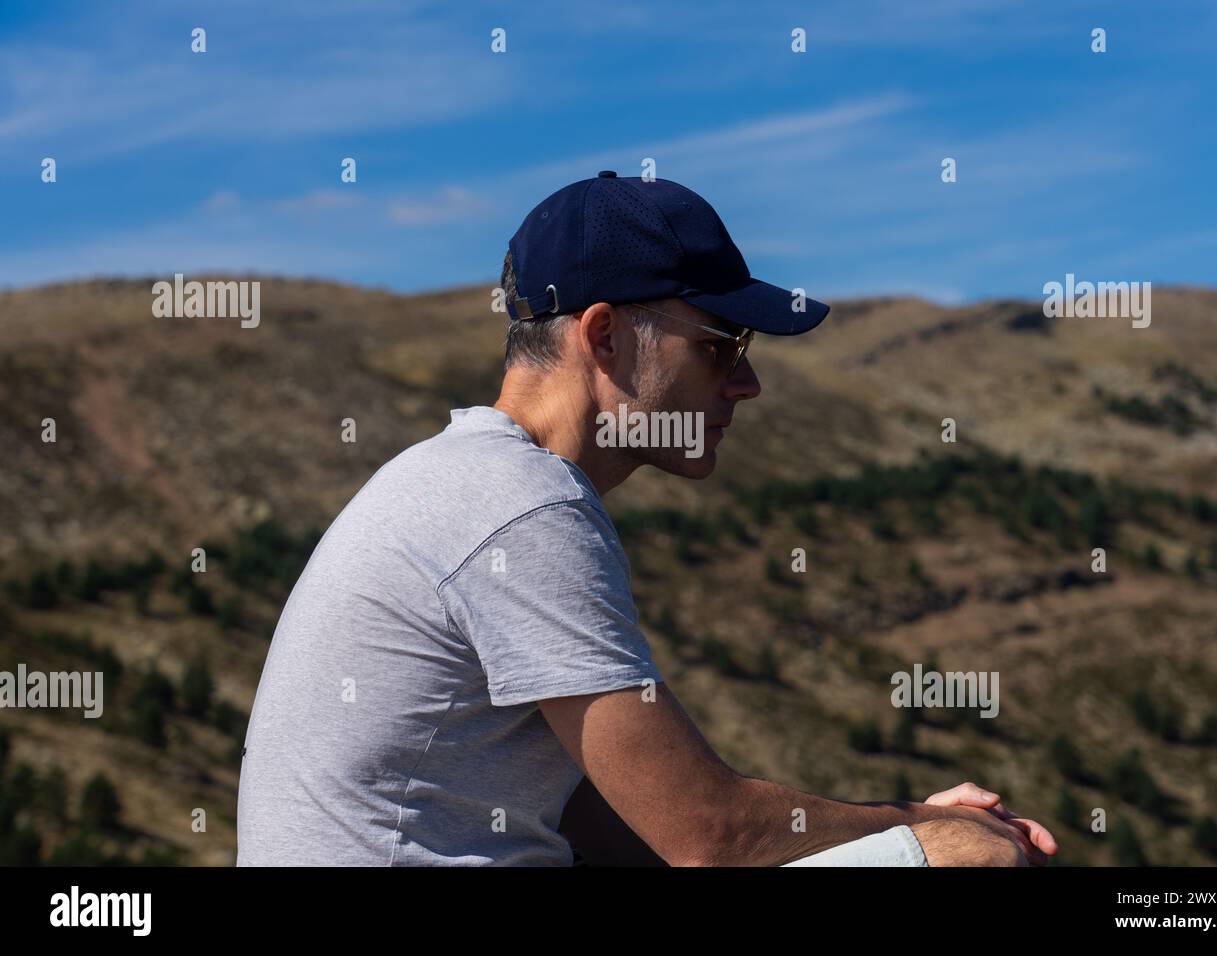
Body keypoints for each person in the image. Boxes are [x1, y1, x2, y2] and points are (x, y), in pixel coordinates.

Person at [236, 171, 1058, 866]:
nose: (747, 382)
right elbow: (708, 836)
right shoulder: (520, 508)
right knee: (969, 860)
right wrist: (932, 834)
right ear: (604, 336)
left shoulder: (456, 478)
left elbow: (636, 831)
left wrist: (901, 820)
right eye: (719, 344)